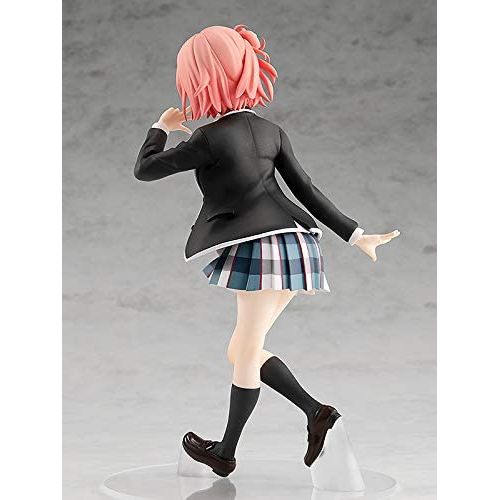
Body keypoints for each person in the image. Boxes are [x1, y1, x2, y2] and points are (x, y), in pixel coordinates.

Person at [134, 24, 399, 477]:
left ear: (201, 79)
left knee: (245, 349)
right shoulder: (271, 131)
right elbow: (306, 191)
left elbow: (145, 169)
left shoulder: (209, 138)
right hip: (297, 246)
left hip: (259, 249)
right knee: (242, 348)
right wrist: (355, 234)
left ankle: (227, 452)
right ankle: (315, 413)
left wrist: (160, 128)